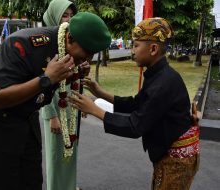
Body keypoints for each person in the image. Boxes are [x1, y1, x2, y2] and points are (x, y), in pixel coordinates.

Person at [0, 12, 111, 190]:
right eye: (85, 54)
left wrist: (73, 74)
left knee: (33, 182)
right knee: (7, 184)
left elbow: (51, 87)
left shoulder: (65, 50)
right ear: (69, 38)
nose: (87, 60)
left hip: (26, 119)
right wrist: (46, 79)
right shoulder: (22, 44)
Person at [69, 17, 200, 190]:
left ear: (153, 49)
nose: (132, 51)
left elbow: (135, 126)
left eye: (136, 45)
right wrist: (100, 92)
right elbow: (135, 103)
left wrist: (93, 109)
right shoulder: (157, 75)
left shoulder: (163, 83)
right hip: (169, 153)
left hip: (176, 160)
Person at [41, 1, 84, 190]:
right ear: (53, 18)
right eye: (64, 16)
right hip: (54, 108)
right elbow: (41, 84)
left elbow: (72, 76)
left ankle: (69, 186)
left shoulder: (70, 41)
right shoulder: (45, 45)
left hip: (70, 106)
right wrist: (51, 116)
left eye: (71, 16)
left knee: (71, 150)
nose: (69, 20)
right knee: (56, 155)